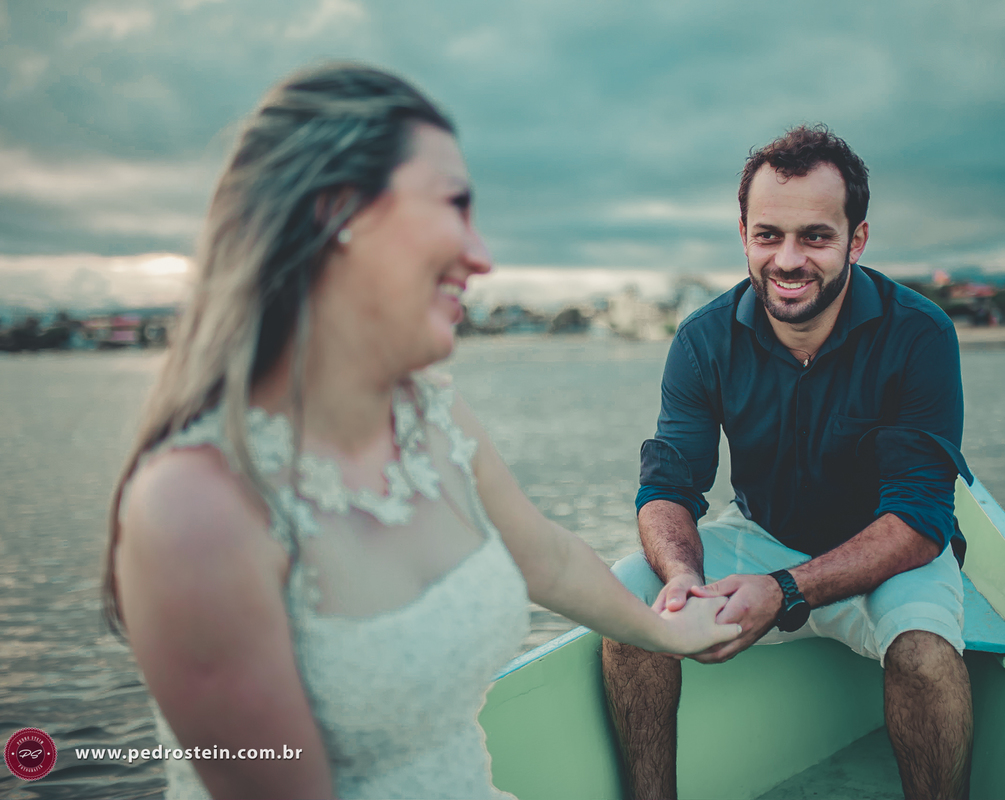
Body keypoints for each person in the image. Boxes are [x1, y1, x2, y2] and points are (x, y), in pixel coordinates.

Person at [103, 62, 740, 800]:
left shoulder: (432, 417)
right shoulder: (196, 510)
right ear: (338, 212)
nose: (481, 255)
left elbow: (549, 562)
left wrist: (669, 631)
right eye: (454, 207)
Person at [600, 124, 975, 800]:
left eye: (816, 237)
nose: (789, 259)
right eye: (768, 235)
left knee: (926, 658)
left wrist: (787, 590)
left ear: (856, 240)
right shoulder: (702, 340)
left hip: (887, 550)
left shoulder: (919, 333)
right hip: (764, 534)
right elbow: (667, 486)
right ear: (743, 233)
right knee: (630, 603)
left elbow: (921, 517)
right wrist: (683, 575)